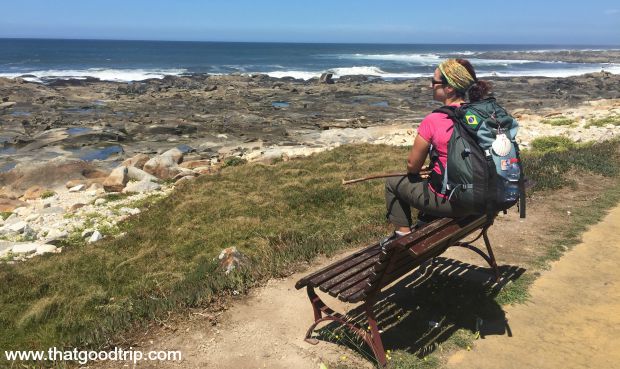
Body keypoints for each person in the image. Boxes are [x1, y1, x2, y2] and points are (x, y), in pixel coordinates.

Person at [384, 59, 491, 241]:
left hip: (459, 202)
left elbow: (412, 165)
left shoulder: (434, 120)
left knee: (393, 182)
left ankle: (403, 240)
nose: (430, 85)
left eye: (434, 82)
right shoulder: (482, 114)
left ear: (448, 88)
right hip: (487, 196)